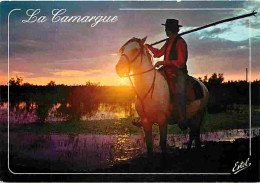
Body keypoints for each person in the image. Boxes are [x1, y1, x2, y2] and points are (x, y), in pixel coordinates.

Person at [133, 19, 188, 128]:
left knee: (179, 90)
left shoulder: (180, 42)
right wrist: (148, 47)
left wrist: (163, 62)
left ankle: (182, 118)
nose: (165, 31)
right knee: (150, 83)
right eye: (165, 28)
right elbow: (158, 54)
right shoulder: (168, 42)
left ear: (171, 30)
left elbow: (181, 62)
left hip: (178, 72)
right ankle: (144, 116)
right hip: (165, 69)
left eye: (166, 29)